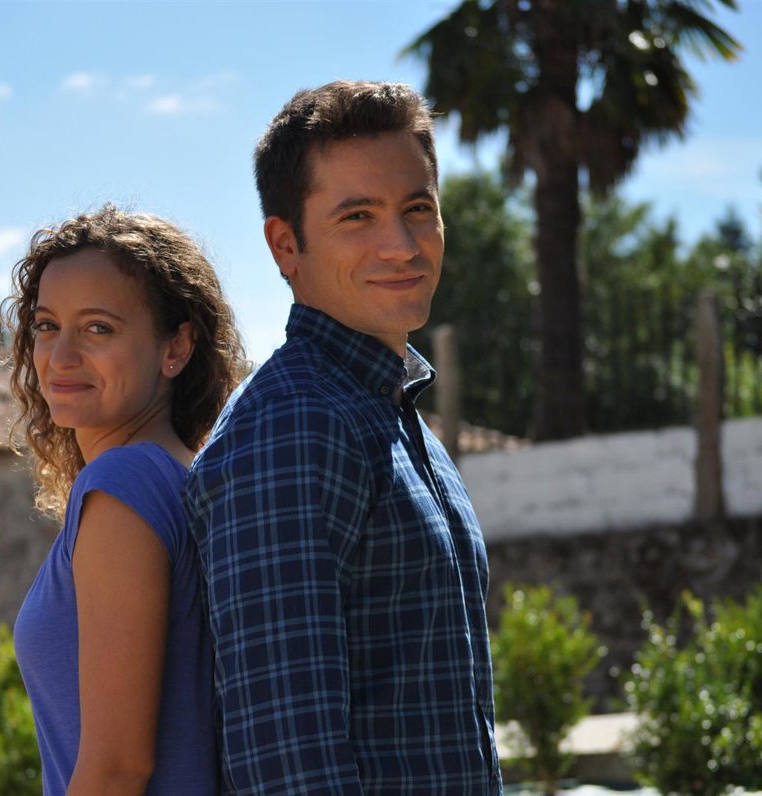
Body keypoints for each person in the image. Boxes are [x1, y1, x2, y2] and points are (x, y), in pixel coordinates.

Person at [185, 81, 502, 794]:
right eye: (358, 216)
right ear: (285, 245)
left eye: (417, 209)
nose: (402, 245)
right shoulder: (294, 424)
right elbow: (287, 759)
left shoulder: (392, 415)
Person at [6, 206, 245, 796]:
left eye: (98, 329)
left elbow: (118, 768)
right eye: (46, 325)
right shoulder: (180, 476)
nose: (60, 356)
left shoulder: (123, 485)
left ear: (176, 348)